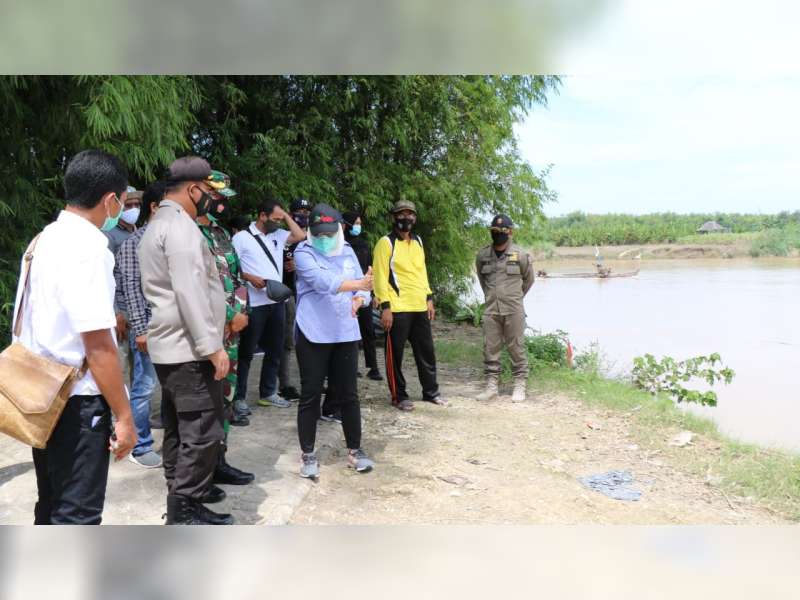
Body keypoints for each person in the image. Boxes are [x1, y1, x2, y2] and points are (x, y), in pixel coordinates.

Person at [11, 149, 137, 524]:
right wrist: (125, 416)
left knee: (50, 501)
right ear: (110, 199)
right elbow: (99, 346)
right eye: (123, 200)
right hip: (78, 401)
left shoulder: (43, 239)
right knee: (78, 514)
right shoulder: (89, 248)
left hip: (41, 392)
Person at [139, 156, 233, 526]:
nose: (213, 197)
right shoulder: (179, 228)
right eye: (210, 190)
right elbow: (190, 293)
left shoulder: (163, 222)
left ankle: (183, 501)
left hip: (174, 347)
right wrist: (213, 347)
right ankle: (184, 510)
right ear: (194, 188)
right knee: (203, 431)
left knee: (180, 429)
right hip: (189, 349)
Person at [293, 203, 375, 479]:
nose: (324, 239)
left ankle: (355, 450)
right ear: (310, 231)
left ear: (340, 229)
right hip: (313, 332)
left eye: (329, 233)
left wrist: (360, 298)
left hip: (344, 332)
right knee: (311, 394)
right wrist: (360, 286)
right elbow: (322, 281)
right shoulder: (303, 252)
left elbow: (364, 290)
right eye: (319, 234)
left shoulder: (349, 251)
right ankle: (307, 454)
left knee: (348, 394)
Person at [195, 175, 256, 487]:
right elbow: (199, 286)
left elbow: (235, 276)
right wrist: (230, 314)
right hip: (205, 334)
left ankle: (219, 460)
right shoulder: (189, 233)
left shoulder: (219, 231)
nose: (222, 202)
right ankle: (199, 473)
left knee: (225, 399)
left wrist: (241, 312)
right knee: (203, 403)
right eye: (217, 195)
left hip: (231, 334)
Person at [231, 200, 305, 414]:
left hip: (276, 301)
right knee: (246, 352)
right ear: (262, 216)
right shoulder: (241, 238)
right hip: (254, 303)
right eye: (275, 219)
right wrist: (249, 276)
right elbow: (230, 266)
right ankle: (239, 397)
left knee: (275, 350)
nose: (278, 223)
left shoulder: (278, 235)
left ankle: (268, 393)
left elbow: (300, 235)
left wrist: (286, 216)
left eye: (280, 220)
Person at [373, 199, 446, 411]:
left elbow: (421, 272)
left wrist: (429, 298)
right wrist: (385, 307)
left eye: (411, 214)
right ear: (394, 217)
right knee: (395, 355)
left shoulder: (418, 242)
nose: (407, 218)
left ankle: (431, 392)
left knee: (426, 352)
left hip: (419, 306)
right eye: (402, 214)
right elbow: (379, 276)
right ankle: (399, 396)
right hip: (397, 308)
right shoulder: (385, 243)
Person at [116, 181, 165, 468]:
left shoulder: (175, 239)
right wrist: (141, 329)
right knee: (144, 387)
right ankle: (141, 443)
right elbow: (132, 290)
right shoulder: (134, 243)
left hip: (175, 327)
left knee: (171, 386)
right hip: (149, 326)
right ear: (155, 208)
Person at [475, 214, 534, 402]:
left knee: (516, 347)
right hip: (491, 309)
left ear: (510, 232)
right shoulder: (483, 255)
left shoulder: (521, 255)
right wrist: (492, 297)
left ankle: (519, 385)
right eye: (495, 231)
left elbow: (529, 280)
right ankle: (492, 386)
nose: (499, 233)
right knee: (490, 348)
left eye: (503, 230)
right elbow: (482, 280)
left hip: (513, 310)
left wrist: (514, 297)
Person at [106, 186, 143, 381]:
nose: (134, 209)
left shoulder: (140, 233)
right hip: (121, 308)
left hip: (139, 307)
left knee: (139, 368)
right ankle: (118, 411)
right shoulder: (109, 235)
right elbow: (107, 276)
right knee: (121, 364)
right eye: (129, 205)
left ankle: (135, 411)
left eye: (137, 204)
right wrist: (116, 313)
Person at [277, 197, 312, 401]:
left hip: (308, 295)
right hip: (287, 293)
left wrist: (300, 266)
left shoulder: (314, 238)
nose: (303, 215)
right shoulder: (281, 237)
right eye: (299, 211)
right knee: (288, 341)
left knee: (310, 339)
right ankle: (285, 384)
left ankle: (311, 380)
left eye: (307, 212)